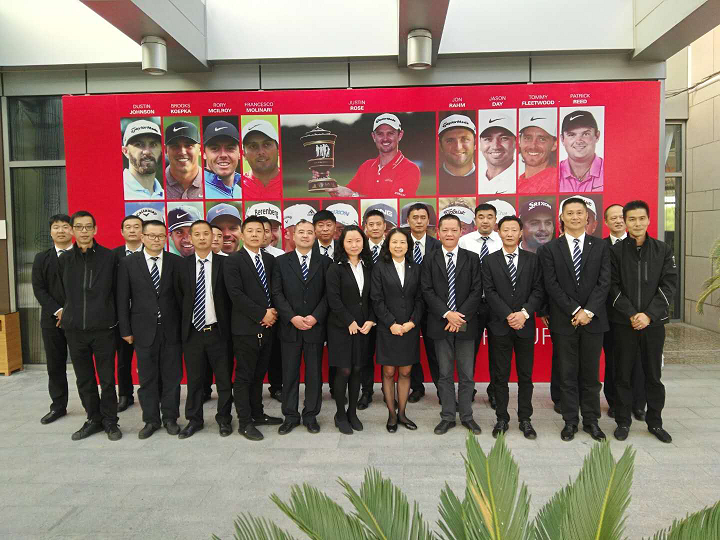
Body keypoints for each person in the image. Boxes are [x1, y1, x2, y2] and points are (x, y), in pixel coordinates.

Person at [539, 197, 610, 442]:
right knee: (567, 374)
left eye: (580, 213)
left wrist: (588, 311)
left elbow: (604, 282)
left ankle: (591, 421)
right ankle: (570, 421)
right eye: (570, 213)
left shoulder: (601, 247)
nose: (575, 217)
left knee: (591, 375)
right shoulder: (549, 249)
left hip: (593, 321)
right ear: (562, 217)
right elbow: (551, 285)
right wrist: (574, 310)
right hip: (564, 320)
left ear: (587, 217)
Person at [609, 200, 677, 443]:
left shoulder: (662, 249)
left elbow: (669, 285)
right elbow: (612, 286)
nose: (637, 223)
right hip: (624, 323)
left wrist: (648, 315)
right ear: (625, 222)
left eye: (641, 219)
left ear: (648, 220)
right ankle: (622, 422)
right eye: (631, 219)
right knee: (622, 374)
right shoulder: (615, 251)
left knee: (653, 375)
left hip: (653, 324)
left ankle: (655, 422)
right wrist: (631, 314)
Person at [117, 220, 183, 439]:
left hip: (171, 330)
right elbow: (122, 299)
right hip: (143, 330)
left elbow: (182, 299)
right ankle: (151, 420)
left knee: (172, 378)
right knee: (147, 379)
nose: (156, 240)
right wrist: (125, 330)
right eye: (152, 236)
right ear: (142, 237)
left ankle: (170, 418)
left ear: (166, 238)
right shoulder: (128, 263)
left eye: (161, 236)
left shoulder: (175, 262)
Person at [58, 211, 121, 441]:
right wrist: (65, 313)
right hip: (75, 330)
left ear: (95, 230)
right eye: (79, 227)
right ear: (72, 230)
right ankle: (93, 419)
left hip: (104, 329)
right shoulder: (65, 259)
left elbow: (117, 291)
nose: (83, 231)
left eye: (88, 227)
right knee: (84, 379)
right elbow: (59, 291)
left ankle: (110, 421)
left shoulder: (109, 257)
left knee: (107, 379)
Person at [481, 216, 544, 439]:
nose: (509, 234)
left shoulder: (533, 260)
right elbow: (489, 292)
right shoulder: (489, 261)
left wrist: (523, 314)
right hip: (500, 325)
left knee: (525, 376)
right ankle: (502, 418)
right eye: (505, 230)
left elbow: (538, 290)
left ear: (520, 233)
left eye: (513, 230)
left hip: (524, 325)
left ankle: (525, 419)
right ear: (499, 232)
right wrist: (508, 315)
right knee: (500, 375)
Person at [422, 214, 483, 435]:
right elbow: (427, 290)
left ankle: (467, 416)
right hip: (441, 322)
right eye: (445, 230)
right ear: (438, 232)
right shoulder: (429, 258)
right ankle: (447, 416)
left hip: (465, 322)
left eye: (454, 230)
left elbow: (477, 290)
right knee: (445, 373)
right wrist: (448, 314)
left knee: (467, 374)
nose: (449, 234)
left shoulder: (472, 258)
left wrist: (459, 317)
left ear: (461, 232)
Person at [224, 215, 283, 441]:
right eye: (250, 231)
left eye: (260, 231)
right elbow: (236, 294)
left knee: (259, 375)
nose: (256, 234)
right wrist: (261, 314)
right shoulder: (233, 261)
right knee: (244, 377)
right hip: (245, 328)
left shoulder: (270, 260)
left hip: (268, 327)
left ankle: (258, 414)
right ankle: (245, 422)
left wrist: (273, 313)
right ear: (242, 234)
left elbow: (275, 290)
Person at [175, 220, 235, 439]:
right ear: (191, 238)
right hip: (193, 333)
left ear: (213, 237)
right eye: (197, 234)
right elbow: (178, 299)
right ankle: (194, 420)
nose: (202, 238)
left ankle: (224, 419)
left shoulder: (226, 263)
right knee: (195, 380)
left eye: (206, 234)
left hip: (219, 332)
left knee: (224, 380)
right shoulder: (181, 266)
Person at [272, 220, 331, 434]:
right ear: (293, 235)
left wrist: (315, 317)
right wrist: (292, 317)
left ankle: (310, 415)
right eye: (301, 232)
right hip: (290, 328)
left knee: (314, 374)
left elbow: (329, 294)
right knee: (289, 374)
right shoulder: (281, 262)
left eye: (309, 232)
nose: (305, 236)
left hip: (315, 327)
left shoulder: (325, 262)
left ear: (315, 236)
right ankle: (290, 416)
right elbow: (276, 293)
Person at [371, 228, 423, 432]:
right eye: (394, 242)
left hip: (409, 328)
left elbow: (420, 299)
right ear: (388, 245)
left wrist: (412, 322)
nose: (398, 246)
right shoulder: (379, 267)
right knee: (389, 371)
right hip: (388, 328)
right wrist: (391, 323)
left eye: (402, 242)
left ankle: (402, 413)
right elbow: (376, 299)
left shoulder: (416, 268)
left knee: (406, 371)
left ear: (408, 245)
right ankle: (391, 415)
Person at [325, 225, 375, 434]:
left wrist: (371, 320)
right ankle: (340, 414)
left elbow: (374, 297)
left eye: (358, 241)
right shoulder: (335, 268)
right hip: (340, 327)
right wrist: (349, 321)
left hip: (363, 327)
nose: (354, 245)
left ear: (363, 242)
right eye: (349, 241)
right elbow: (333, 299)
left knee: (357, 369)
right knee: (343, 370)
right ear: (342, 244)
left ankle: (352, 412)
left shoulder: (369, 266)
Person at [602, 204, 646, 420]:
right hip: (610, 315)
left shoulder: (640, 245)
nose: (618, 221)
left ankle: (638, 404)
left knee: (639, 361)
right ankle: (615, 402)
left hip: (638, 315)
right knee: (613, 360)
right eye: (614, 218)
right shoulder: (600, 247)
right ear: (606, 222)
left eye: (622, 217)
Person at [458, 203, 502, 408]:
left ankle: (495, 391)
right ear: (475, 220)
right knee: (468, 351)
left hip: (497, 306)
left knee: (498, 351)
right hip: (471, 306)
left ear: (495, 220)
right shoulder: (464, 241)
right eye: (481, 217)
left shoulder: (503, 240)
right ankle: (468, 390)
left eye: (490, 217)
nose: (485, 221)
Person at [32, 214, 72, 425]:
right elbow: (39, 289)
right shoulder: (41, 258)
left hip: (79, 319)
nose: (61, 231)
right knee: (55, 365)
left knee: (84, 365)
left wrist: (71, 311)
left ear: (72, 230)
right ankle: (58, 405)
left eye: (65, 227)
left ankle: (92, 406)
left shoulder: (83, 255)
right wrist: (58, 311)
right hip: (51, 320)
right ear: (50, 232)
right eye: (57, 227)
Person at [329, 114, 420, 198]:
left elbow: (395, 204)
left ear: (400, 135)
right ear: (374, 136)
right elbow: (347, 193)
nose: (385, 138)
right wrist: (329, 184)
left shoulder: (410, 169)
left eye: (390, 133)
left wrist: (352, 195)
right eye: (380, 134)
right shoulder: (366, 166)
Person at [405, 203, 441, 402]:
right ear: (408, 220)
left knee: (435, 351)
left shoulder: (437, 245)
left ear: (428, 221)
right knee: (411, 350)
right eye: (415, 217)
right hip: (407, 306)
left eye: (422, 217)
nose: (419, 221)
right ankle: (416, 387)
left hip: (432, 307)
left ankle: (442, 390)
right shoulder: (400, 243)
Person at [112, 215, 144, 412]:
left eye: (136, 227)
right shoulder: (112, 256)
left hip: (147, 317)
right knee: (123, 360)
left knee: (150, 359)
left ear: (143, 231)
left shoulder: (154, 253)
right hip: (121, 316)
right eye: (128, 227)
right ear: (122, 232)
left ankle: (153, 392)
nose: (132, 230)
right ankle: (125, 395)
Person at [357, 209, 386, 409]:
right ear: (365, 227)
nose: (375, 228)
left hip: (388, 311)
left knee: (389, 355)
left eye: (378, 224)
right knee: (365, 355)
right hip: (365, 311)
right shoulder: (358, 247)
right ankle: (366, 391)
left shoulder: (394, 246)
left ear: (385, 226)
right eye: (371, 224)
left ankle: (388, 391)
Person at [256, 214, 284, 402]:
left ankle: (277, 387)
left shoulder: (280, 256)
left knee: (276, 355)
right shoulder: (239, 257)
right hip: (252, 317)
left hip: (276, 315)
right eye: (260, 230)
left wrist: (274, 312)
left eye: (267, 231)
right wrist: (260, 313)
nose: (264, 235)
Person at [559, 110, 604, 192]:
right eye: (571, 135)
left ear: (597, 136)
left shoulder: (611, 171)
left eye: (586, 134)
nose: (579, 141)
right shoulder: (551, 175)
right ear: (562, 139)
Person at [517, 109, 558, 194]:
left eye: (542, 139)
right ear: (519, 141)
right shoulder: (519, 181)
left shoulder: (555, 182)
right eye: (528, 138)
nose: (533, 146)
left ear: (554, 144)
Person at [122, 119, 164, 199]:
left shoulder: (165, 196)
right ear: (125, 151)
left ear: (162, 150)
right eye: (138, 144)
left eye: (153, 144)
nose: (147, 152)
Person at [241, 119, 282, 199]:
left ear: (278, 149)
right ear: (244, 154)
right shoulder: (236, 186)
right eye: (253, 146)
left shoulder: (291, 184)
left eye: (267, 144)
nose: (261, 152)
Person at [477, 113, 516, 194]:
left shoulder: (522, 179)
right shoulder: (475, 180)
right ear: (479, 144)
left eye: (504, 138)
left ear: (516, 143)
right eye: (488, 139)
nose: (495, 146)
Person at [437, 114, 477, 195]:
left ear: (475, 143)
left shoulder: (487, 180)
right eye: (450, 140)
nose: (458, 147)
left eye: (465, 139)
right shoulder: (433, 183)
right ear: (440, 145)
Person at [203, 120, 242, 199]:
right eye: (215, 148)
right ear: (204, 153)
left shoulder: (241, 191)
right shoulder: (196, 191)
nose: (223, 155)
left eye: (230, 148)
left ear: (240, 153)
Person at [165, 120, 203, 199]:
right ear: (165, 150)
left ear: (200, 150)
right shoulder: (157, 184)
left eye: (189, 145)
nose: (182, 152)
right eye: (175, 146)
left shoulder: (212, 185)